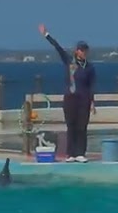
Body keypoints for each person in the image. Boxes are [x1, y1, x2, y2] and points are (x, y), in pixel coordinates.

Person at [39, 23, 97, 162]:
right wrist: (46, 35)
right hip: (71, 98)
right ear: (77, 51)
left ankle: (80, 153)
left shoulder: (89, 67)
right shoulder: (69, 61)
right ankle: (70, 154)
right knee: (71, 125)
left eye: (85, 50)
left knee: (82, 126)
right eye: (81, 50)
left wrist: (93, 103)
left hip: (84, 99)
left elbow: (91, 86)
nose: (83, 52)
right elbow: (58, 47)